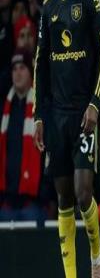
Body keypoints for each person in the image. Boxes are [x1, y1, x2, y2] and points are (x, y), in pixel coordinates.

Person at [33, 0, 100, 277]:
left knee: (82, 193)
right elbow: (40, 64)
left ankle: (96, 252)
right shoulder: (48, 6)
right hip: (56, 116)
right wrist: (38, 116)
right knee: (63, 199)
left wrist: (95, 103)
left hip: (83, 112)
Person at [0, 50, 43, 223]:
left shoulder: (41, 106)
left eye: (22, 68)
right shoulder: (4, 107)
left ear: (31, 72)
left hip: (32, 202)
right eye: (14, 69)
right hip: (6, 202)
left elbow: (48, 153)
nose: (17, 73)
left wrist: (45, 195)